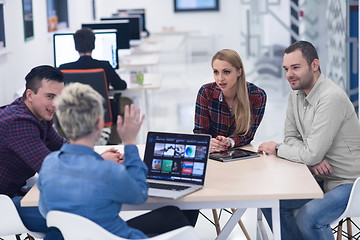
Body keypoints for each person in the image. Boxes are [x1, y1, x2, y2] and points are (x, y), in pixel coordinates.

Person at [38, 83, 192, 238]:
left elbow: (46, 212)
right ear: (99, 124)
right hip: (116, 236)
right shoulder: (108, 171)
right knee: (176, 216)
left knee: (172, 214)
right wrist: (130, 142)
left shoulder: (49, 164)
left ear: (62, 123)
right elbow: (140, 193)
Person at [0, 65, 122, 240]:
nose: (55, 104)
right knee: (71, 218)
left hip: (13, 192)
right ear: (29, 94)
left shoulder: (38, 116)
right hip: (3, 205)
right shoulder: (18, 123)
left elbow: (62, 148)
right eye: (49, 96)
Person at [258, 40, 360, 240]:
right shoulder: (295, 94)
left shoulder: (331, 98)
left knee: (309, 216)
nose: (289, 75)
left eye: (295, 67)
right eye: (286, 69)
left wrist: (278, 148)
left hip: (349, 182)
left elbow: (308, 152)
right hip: (319, 178)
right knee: (270, 201)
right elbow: (291, 137)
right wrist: (311, 159)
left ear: (314, 65)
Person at [58, 27, 128, 144]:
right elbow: (121, 85)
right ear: (94, 45)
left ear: (75, 47)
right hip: (101, 116)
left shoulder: (63, 68)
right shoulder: (104, 66)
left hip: (73, 118)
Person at [194, 49, 267, 152]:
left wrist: (230, 141)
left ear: (239, 72)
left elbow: (248, 135)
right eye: (216, 72)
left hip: (240, 152)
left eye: (226, 72)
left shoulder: (257, 96)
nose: (220, 79)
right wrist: (208, 142)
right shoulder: (206, 92)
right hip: (212, 152)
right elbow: (199, 132)